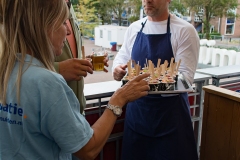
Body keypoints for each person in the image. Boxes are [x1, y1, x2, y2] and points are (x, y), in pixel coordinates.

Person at [0, 0, 150, 160]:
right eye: (63, 22)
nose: (68, 32)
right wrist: (119, 99)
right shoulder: (47, 83)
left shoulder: (7, 68)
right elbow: (88, 149)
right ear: (45, 27)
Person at [112, 0, 200, 159]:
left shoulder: (185, 30)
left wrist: (150, 81)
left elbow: (185, 78)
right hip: (137, 116)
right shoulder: (134, 28)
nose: (147, 0)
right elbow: (122, 57)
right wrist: (117, 69)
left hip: (170, 119)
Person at [54, 0, 109, 115]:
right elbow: (11, 65)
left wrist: (84, 63)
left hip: (77, 113)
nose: (68, 31)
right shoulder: (31, 5)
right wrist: (58, 69)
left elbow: (69, 56)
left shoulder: (71, 8)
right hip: (54, 115)